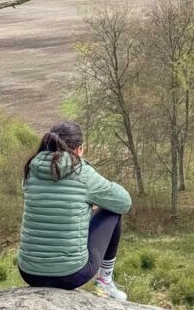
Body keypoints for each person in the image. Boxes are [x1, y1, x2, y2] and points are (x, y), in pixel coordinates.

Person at [17, 120, 131, 300]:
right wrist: (95, 203)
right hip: (70, 275)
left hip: (29, 273)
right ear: (79, 149)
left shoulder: (30, 169)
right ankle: (105, 281)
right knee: (113, 210)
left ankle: (105, 282)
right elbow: (124, 202)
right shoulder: (82, 172)